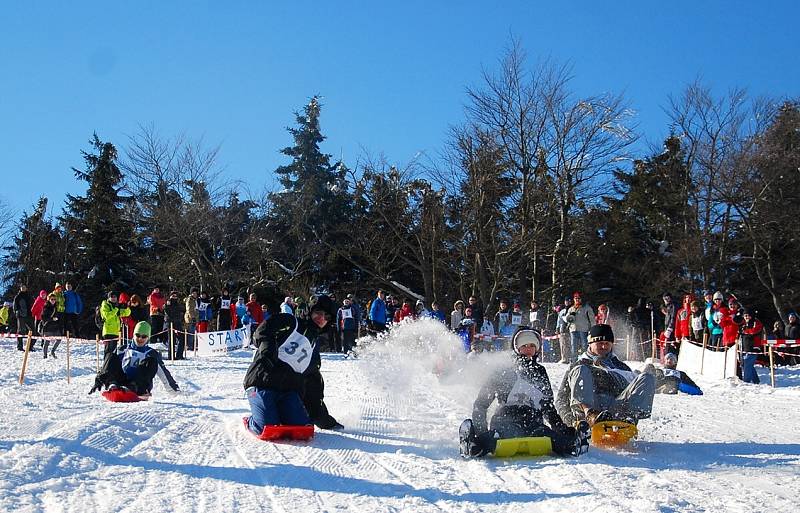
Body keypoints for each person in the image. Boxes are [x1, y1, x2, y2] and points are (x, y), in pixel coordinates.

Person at [458, 328, 590, 458]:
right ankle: (472, 445)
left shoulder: (540, 372)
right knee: (493, 438)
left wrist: (564, 432)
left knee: (550, 436)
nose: (528, 349)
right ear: (516, 348)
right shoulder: (503, 370)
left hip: (532, 420)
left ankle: (574, 444)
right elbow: (481, 403)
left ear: (537, 348)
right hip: (505, 419)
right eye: (524, 345)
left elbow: (548, 407)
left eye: (532, 346)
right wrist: (481, 432)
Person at [243, 295, 342, 434]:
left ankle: (279, 412)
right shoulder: (291, 322)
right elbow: (263, 330)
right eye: (318, 313)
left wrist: (322, 418)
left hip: (287, 391)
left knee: (302, 427)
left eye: (326, 317)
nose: (321, 318)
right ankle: (251, 421)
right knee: (266, 427)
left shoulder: (314, 347)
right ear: (310, 311)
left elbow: (312, 383)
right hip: (262, 381)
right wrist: (268, 351)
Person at [555, 324, 656, 427]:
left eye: (607, 343)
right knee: (581, 370)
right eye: (599, 343)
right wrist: (569, 421)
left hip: (616, 410)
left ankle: (628, 419)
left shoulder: (620, 366)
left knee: (646, 378)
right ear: (590, 343)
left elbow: (632, 394)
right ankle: (590, 416)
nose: (604, 346)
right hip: (589, 412)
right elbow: (561, 399)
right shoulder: (578, 365)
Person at [89, 321, 180, 396]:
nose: (140, 338)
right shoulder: (123, 349)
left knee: (151, 361)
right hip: (121, 381)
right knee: (111, 356)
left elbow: (164, 374)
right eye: (138, 335)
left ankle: (134, 387)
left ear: (148, 338)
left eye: (143, 336)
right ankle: (113, 384)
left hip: (139, 385)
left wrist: (175, 392)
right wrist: (99, 379)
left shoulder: (151, 353)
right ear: (133, 335)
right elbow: (109, 365)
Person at [566, 292, 595, 363]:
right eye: (575, 298)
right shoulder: (571, 309)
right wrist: (569, 317)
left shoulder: (587, 308)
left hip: (584, 329)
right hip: (573, 329)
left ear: (581, 299)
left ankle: (585, 359)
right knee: (574, 346)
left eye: (578, 298)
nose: (577, 300)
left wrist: (593, 328)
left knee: (584, 345)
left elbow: (592, 319)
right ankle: (574, 360)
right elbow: (566, 318)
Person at [739, 309, 764, 384]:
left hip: (754, 347)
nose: (746, 317)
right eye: (745, 315)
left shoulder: (756, 322)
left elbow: (755, 331)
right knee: (746, 364)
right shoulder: (744, 324)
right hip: (746, 347)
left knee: (747, 364)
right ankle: (756, 381)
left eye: (748, 315)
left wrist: (745, 332)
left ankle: (746, 381)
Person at [14, 284, 36, 352]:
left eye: (24, 287)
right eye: (22, 287)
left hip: (29, 315)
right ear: (20, 288)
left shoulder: (29, 296)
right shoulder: (18, 297)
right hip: (21, 316)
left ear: (26, 288)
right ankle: (19, 347)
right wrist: (17, 313)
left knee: (33, 331)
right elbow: (15, 307)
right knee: (21, 331)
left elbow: (34, 304)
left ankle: (30, 346)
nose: (23, 288)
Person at [40, 293, 63, 358]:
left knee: (59, 339)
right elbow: (43, 317)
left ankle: (52, 351)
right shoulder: (46, 307)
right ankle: (45, 356)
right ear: (49, 299)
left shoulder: (55, 307)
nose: (53, 300)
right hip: (48, 327)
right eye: (52, 299)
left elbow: (57, 316)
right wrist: (52, 319)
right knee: (47, 342)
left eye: (54, 299)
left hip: (55, 327)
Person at [164, 290, 185, 359]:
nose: (174, 297)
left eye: (176, 296)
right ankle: (171, 356)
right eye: (173, 296)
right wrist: (167, 305)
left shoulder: (178, 303)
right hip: (170, 323)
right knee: (171, 340)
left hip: (178, 322)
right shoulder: (168, 303)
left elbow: (181, 310)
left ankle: (179, 355)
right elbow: (167, 311)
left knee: (182, 338)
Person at [556, 296, 573, 363]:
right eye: (566, 301)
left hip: (571, 329)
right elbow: (559, 320)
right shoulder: (562, 311)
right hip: (562, 329)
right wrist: (557, 328)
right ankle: (564, 358)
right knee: (563, 344)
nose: (567, 302)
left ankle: (571, 358)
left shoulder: (573, 310)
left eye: (569, 301)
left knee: (571, 344)